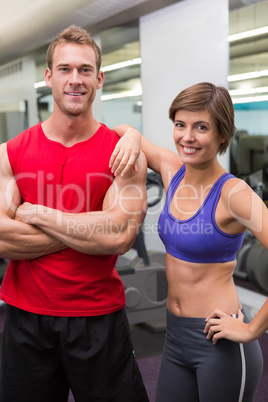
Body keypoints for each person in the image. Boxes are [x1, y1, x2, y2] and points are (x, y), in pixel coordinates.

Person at [0, 25, 149, 402]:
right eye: (65, 69)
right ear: (49, 77)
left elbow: (118, 235)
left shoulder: (123, 153)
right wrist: (87, 230)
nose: (75, 80)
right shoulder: (11, 152)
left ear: (98, 79)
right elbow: (3, 239)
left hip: (97, 317)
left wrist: (35, 213)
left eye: (85, 70)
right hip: (25, 319)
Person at [111, 82, 267, 402]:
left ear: (223, 134)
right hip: (175, 338)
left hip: (220, 342)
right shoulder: (173, 170)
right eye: (180, 125)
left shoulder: (233, 193)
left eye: (201, 127)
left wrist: (252, 330)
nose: (187, 137)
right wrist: (130, 136)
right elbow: (124, 130)